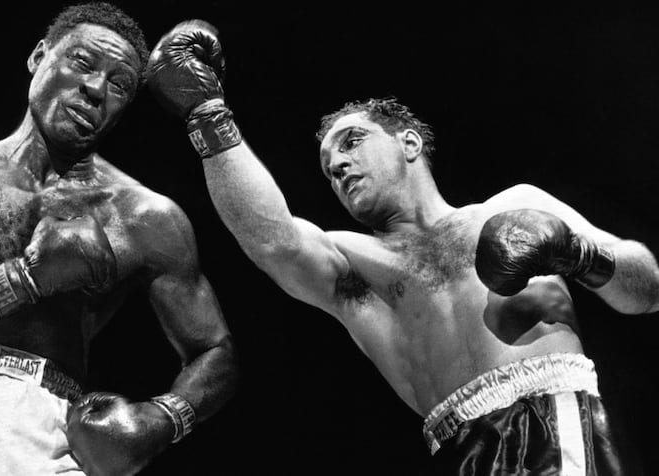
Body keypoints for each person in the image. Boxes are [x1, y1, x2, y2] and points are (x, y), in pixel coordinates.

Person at [145, 20, 659, 474]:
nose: (338, 167)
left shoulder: (511, 206)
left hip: (555, 430)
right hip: (459, 451)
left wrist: (579, 254)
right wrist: (207, 113)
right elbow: (270, 237)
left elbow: (647, 289)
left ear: (409, 143)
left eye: (351, 142)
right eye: (328, 168)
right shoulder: (355, 267)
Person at [0, 4, 237, 475]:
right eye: (82, 62)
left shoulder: (145, 217)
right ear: (39, 56)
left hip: (50, 429)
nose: (96, 89)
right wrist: (22, 280)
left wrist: (163, 418)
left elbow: (216, 352)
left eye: (118, 85)